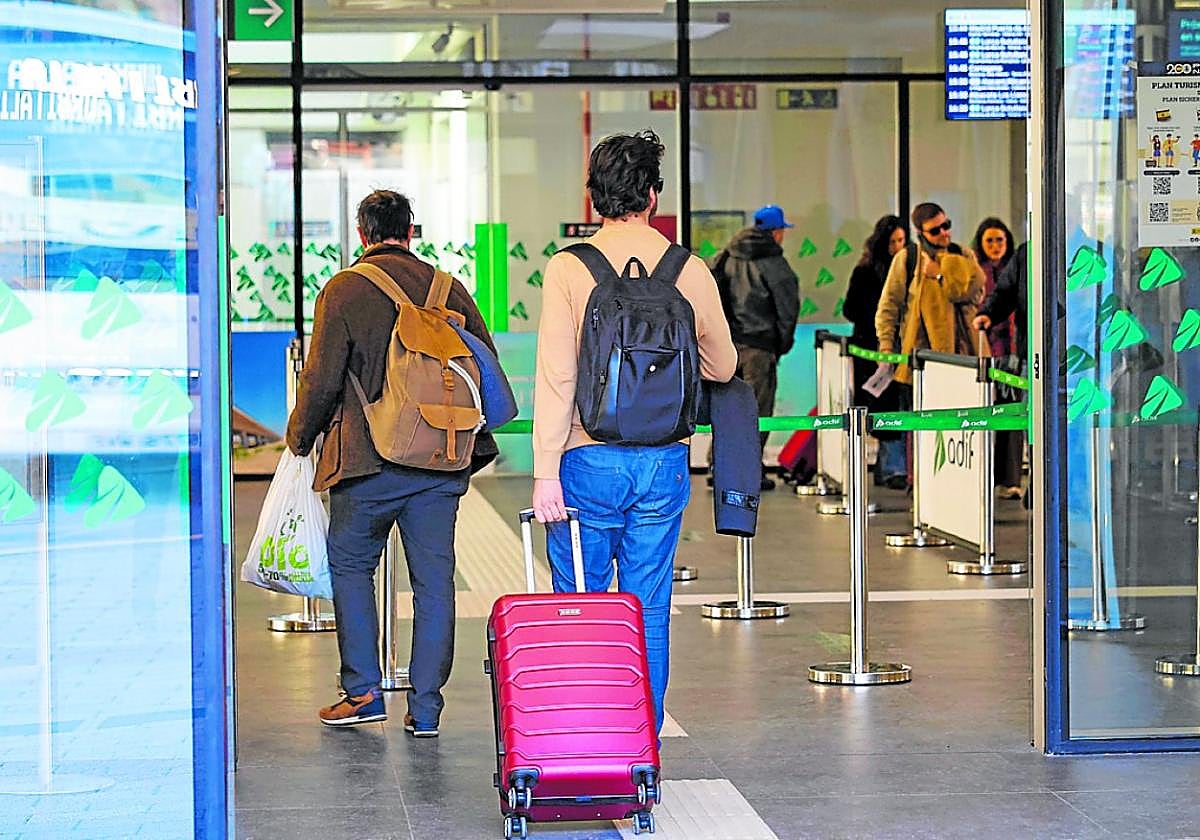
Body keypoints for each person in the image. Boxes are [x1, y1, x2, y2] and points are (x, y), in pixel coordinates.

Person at [530, 130, 737, 734]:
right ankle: (640, 746)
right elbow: (723, 366)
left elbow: (557, 375)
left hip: (587, 459)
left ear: (594, 196)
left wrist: (545, 472)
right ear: (652, 195)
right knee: (648, 610)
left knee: (582, 607)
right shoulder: (687, 268)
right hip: (663, 462)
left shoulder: (570, 268)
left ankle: (587, 740)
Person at [287, 189, 499, 734]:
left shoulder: (345, 289)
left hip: (367, 462)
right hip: (441, 460)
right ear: (410, 231)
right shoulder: (448, 288)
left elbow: (321, 379)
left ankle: (363, 692)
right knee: (434, 582)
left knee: (352, 566)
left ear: (362, 234)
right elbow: (485, 366)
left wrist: (299, 438)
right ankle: (425, 709)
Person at [708, 204, 801, 491]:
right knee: (758, 411)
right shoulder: (773, 262)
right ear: (776, 232)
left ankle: (719, 466)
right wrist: (780, 345)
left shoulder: (727, 255)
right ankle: (749, 472)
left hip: (728, 348)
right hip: (758, 349)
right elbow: (788, 309)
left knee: (729, 410)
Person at [874, 202, 987, 386]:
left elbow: (977, 295)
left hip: (965, 354)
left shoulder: (963, 254)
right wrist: (886, 347)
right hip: (920, 359)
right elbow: (889, 306)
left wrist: (941, 275)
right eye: (935, 231)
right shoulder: (908, 258)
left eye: (946, 225)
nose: (944, 233)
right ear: (921, 233)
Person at [843, 215, 908, 488]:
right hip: (872, 351)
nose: (898, 247)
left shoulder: (908, 270)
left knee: (894, 406)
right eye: (893, 241)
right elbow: (850, 308)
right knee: (883, 406)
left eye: (902, 241)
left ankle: (890, 466)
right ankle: (892, 467)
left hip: (896, 349)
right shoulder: (866, 272)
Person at [973, 240, 1028, 500]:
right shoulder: (1028, 253)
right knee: (1033, 428)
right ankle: (1043, 488)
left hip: (1076, 355)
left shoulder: (1089, 251)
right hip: (1031, 357)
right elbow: (1005, 292)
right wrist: (989, 314)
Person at [971, 217, 1016, 358]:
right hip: (983, 336)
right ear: (981, 243)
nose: (995, 246)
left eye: (999, 240)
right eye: (989, 241)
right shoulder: (974, 270)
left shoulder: (1017, 268)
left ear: (1007, 241)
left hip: (1013, 337)